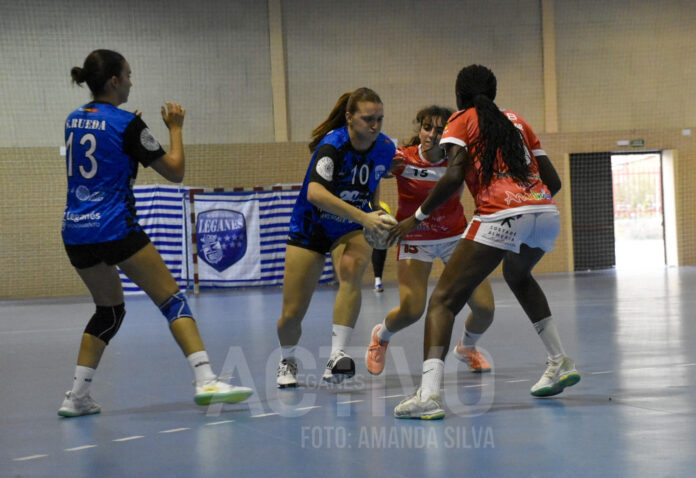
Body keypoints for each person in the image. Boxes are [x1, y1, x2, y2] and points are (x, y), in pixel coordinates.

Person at [58, 49, 253, 417]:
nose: (132, 81)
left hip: (76, 232)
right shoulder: (128, 125)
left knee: (109, 311)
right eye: (128, 75)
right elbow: (175, 171)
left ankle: (76, 397)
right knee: (172, 300)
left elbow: (103, 152)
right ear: (114, 80)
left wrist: (131, 134)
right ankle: (206, 379)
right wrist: (175, 129)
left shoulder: (73, 119)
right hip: (114, 227)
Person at [392, 65, 580, 420]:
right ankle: (560, 360)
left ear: (459, 95)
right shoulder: (518, 121)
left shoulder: (462, 120)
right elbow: (552, 179)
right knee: (519, 275)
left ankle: (429, 396)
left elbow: (452, 177)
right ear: (493, 93)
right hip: (545, 211)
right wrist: (530, 205)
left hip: (500, 214)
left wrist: (415, 217)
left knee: (443, 302)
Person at [276, 88, 396, 388]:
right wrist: (364, 217)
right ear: (349, 118)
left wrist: (374, 216)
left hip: (351, 226)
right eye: (368, 119)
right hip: (312, 226)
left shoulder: (384, 147)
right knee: (291, 315)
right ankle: (287, 358)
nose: (375, 125)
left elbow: (375, 180)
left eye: (379, 119)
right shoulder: (332, 146)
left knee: (352, 269)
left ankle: (336, 355)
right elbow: (315, 193)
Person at [365, 106, 495, 376]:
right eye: (427, 128)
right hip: (414, 237)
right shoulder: (404, 158)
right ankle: (381, 335)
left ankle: (467, 347)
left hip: (455, 237)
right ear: (420, 129)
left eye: (439, 130)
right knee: (412, 310)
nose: (432, 135)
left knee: (485, 309)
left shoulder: (457, 160)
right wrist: (374, 205)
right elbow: (375, 170)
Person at [370, 200, 392, 293]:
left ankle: (378, 281)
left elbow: (389, 222)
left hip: (378, 233)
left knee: (380, 251)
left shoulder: (384, 205)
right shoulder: (363, 204)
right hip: (360, 231)